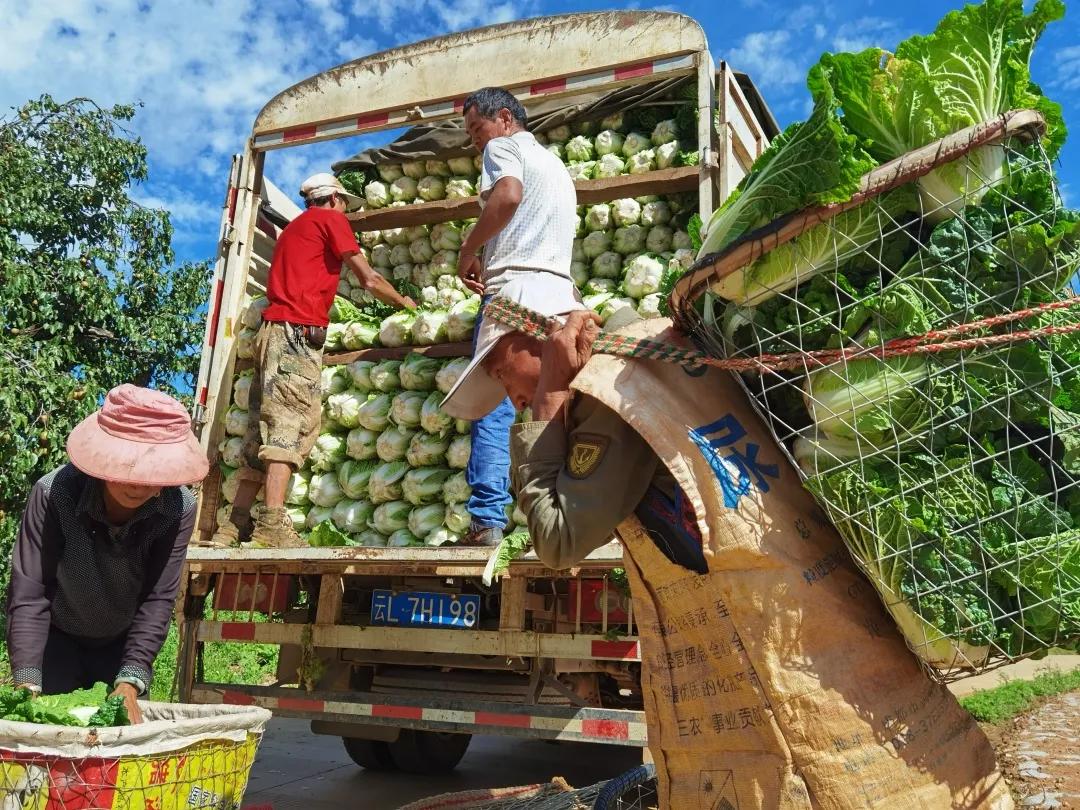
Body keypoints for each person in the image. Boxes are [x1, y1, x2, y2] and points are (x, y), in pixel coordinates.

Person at [442, 281, 1013, 809]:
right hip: (797, 579)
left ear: (536, 335)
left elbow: (559, 538)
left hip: (759, 620)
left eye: (499, 367)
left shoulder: (604, 392)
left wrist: (545, 405)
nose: (504, 392)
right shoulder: (650, 342)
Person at [216, 173, 416, 548]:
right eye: (345, 204)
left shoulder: (293, 229)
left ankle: (233, 525)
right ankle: (272, 525)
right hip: (296, 335)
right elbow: (369, 278)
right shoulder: (330, 220)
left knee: (260, 431)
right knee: (288, 425)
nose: (346, 211)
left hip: (270, 333)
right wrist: (405, 304)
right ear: (335, 199)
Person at [6, 385, 210, 724]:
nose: (139, 483)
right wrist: (26, 682)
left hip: (122, 642)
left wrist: (130, 680)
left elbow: (157, 598)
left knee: (119, 751)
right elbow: (30, 592)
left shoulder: (179, 507)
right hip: (56, 641)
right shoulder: (54, 493)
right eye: (128, 466)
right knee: (53, 745)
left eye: (154, 471)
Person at [454, 87, 578, 547]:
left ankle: (487, 520)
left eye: (476, 130)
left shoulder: (504, 148)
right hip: (560, 299)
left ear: (505, 119)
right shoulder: (556, 165)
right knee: (553, 403)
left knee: (494, 405)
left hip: (513, 296)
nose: (475, 143)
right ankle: (564, 510)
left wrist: (469, 250)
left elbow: (507, 195)